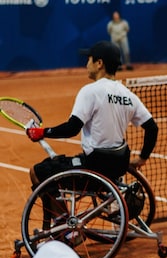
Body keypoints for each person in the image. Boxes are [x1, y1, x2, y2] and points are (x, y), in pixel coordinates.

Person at [26, 40, 158, 189]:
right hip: (117, 167)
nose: (86, 64)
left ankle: (56, 213)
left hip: (94, 168)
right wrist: (142, 159)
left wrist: (42, 132)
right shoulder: (129, 96)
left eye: (89, 59)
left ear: (99, 63)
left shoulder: (90, 91)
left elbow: (72, 128)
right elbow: (152, 128)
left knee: (37, 172)